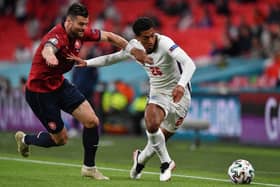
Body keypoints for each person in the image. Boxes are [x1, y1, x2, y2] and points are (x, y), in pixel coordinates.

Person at [14, 3, 152, 180]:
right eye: (80, 24)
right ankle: (25, 140)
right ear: (69, 21)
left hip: (59, 84)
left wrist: (132, 50)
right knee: (60, 139)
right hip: (40, 93)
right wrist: (49, 56)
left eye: (86, 24)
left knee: (92, 121)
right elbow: (49, 48)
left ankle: (89, 168)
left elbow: (109, 36)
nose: (84, 28)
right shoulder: (57, 36)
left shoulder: (80, 33)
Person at [68, 17, 196, 181]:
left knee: (158, 141)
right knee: (152, 124)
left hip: (181, 94)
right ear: (137, 38)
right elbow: (112, 58)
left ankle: (140, 160)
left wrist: (180, 85)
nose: (150, 40)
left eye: (152, 35)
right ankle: (166, 163)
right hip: (158, 92)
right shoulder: (134, 48)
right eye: (145, 37)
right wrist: (87, 63)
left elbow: (189, 64)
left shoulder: (165, 43)